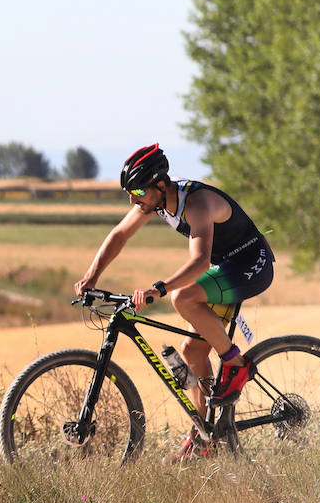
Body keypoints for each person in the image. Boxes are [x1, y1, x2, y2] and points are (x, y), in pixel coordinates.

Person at [74, 144, 274, 460]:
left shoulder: (195, 203)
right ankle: (206, 436)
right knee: (192, 352)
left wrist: (159, 288)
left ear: (159, 185)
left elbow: (199, 262)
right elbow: (119, 236)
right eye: (129, 192)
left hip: (251, 264)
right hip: (226, 266)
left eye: (137, 190)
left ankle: (235, 364)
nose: (132, 199)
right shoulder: (152, 202)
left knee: (183, 296)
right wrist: (92, 276)